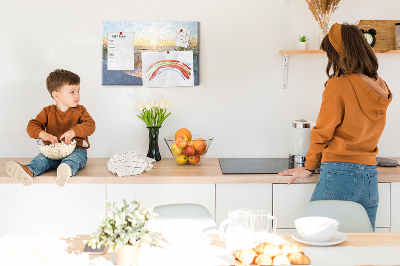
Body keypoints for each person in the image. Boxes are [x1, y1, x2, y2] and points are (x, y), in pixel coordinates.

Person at [278, 23, 392, 230]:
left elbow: (322, 133)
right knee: (362, 246)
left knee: (314, 237)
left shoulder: (339, 86)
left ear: (340, 54)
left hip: (339, 175)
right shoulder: (380, 86)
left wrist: (308, 167)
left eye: (330, 54)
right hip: (369, 177)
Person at [6, 69, 96, 187]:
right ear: (56, 95)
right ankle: (28, 172)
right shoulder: (47, 111)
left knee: (74, 159)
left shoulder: (81, 110)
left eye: (78, 91)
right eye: (72, 92)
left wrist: (73, 131)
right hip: (51, 151)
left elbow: (90, 125)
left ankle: (65, 170)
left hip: (76, 150)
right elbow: (32, 126)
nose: (77, 95)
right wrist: (42, 134)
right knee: (40, 160)